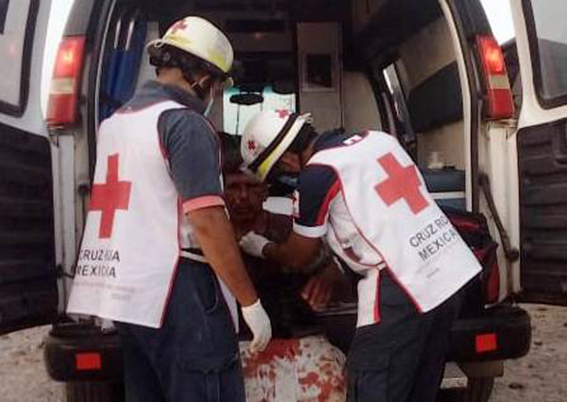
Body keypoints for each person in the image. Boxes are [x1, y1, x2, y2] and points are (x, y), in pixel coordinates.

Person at [66, 17, 271, 402]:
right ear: (201, 77)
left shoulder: (115, 123)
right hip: (182, 289)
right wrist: (250, 301)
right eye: (217, 83)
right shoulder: (184, 124)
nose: (214, 92)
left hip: (129, 293)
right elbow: (207, 222)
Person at [238, 110, 483, 402]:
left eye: (281, 173)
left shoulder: (318, 173)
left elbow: (298, 255)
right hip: (448, 273)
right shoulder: (378, 139)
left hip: (402, 286)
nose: (288, 177)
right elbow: (371, 218)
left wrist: (258, 246)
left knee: (370, 382)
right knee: (418, 386)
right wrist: (332, 267)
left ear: (287, 160)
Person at [220, 134, 347, 401]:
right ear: (221, 191)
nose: (242, 196)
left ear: (265, 192)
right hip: (235, 347)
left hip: (302, 344)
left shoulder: (289, 228)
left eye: (251, 187)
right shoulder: (211, 238)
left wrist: (327, 277)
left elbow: (333, 271)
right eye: (233, 187)